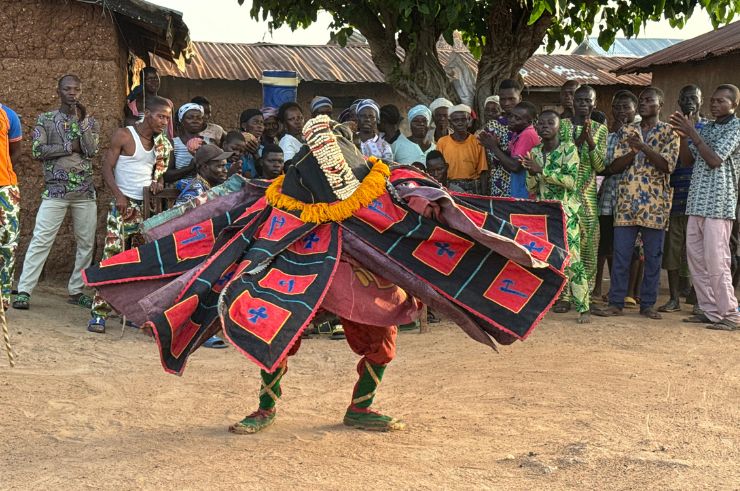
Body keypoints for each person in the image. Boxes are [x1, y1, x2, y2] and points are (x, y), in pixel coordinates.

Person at [84, 114, 568, 435]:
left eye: (334, 150)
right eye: (319, 152)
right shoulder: (282, 190)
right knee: (273, 328)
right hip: (297, 269)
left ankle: (360, 406)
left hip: (362, 271)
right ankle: (266, 408)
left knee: (379, 337)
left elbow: (433, 201)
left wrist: (461, 224)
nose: (328, 160)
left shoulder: (388, 177)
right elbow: (227, 211)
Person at [86, 95, 173, 333]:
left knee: (139, 261)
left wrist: (158, 182)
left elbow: (158, 173)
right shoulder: (124, 134)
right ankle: (98, 313)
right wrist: (119, 196)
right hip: (123, 207)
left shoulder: (161, 143)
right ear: (147, 113)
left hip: (146, 207)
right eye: (160, 116)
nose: (164, 121)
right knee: (112, 256)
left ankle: (133, 312)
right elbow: (106, 167)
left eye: (167, 117)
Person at [13, 74, 100, 311]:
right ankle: (24, 290)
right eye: (67, 89)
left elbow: (91, 150)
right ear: (58, 91)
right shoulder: (46, 119)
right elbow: (37, 150)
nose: (72, 93)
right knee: (41, 239)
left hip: (84, 192)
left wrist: (82, 123)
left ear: (81, 92)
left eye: (77, 89)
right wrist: (67, 147)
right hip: (55, 192)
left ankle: (76, 290)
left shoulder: (90, 122)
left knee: (85, 243)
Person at [593, 87, 679, 320]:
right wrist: (632, 152)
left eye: (648, 100)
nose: (642, 103)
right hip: (626, 202)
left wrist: (643, 147)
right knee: (621, 254)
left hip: (655, 204)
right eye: (641, 100)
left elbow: (667, 166)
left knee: (653, 256)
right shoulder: (627, 131)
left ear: (660, 105)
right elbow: (615, 167)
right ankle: (616, 303)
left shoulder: (669, 132)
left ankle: (648, 304)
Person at [670, 84, 740, 331]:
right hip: (696, 202)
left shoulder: (736, 127)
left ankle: (730, 314)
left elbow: (714, 160)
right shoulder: (708, 128)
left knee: (717, 260)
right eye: (712, 100)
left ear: (734, 104)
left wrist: (693, 132)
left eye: (721, 101)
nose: (714, 104)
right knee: (697, 259)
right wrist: (684, 137)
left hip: (719, 204)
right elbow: (688, 161)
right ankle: (710, 311)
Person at [522, 110, 590, 323]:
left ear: (560, 126)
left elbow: (571, 182)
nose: (545, 126)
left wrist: (541, 171)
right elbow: (530, 186)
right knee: (545, 260)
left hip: (565, 214)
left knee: (573, 260)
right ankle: (547, 304)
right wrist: (533, 175)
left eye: (550, 123)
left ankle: (583, 307)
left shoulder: (569, 149)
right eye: (541, 123)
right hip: (543, 215)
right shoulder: (534, 152)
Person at [658, 85, 707, 313]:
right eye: (685, 97)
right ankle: (674, 298)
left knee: (698, 252)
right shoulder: (669, 130)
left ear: (701, 101)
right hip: (675, 198)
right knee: (673, 250)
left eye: (693, 98)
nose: (689, 101)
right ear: (678, 100)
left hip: (699, 199)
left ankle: (697, 299)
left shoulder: (706, 129)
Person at [558, 85, 608, 308]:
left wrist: (590, 140)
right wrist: (581, 139)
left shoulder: (600, 129)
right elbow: (564, 158)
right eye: (579, 100)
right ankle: (564, 296)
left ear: (594, 103)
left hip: (588, 198)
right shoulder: (563, 126)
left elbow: (599, 165)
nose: (583, 104)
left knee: (588, 246)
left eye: (588, 101)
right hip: (565, 195)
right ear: (572, 102)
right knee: (566, 246)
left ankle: (583, 297)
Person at [595, 90, 638, 301]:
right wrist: (612, 168)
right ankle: (607, 291)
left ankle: (628, 294)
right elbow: (601, 167)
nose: (621, 111)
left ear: (634, 110)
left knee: (631, 248)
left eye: (626, 107)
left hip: (632, 201)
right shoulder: (608, 137)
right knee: (606, 244)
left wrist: (612, 168)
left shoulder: (640, 136)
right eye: (617, 107)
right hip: (608, 200)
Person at [478, 101, 539, 198]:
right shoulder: (517, 132)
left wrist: (493, 147)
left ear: (529, 122)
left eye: (517, 118)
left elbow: (515, 166)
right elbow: (508, 159)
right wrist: (496, 146)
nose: (511, 120)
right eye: (511, 116)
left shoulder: (527, 135)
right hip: (518, 190)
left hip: (526, 193)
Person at [0, 100, 22, 309]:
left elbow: (16, 151)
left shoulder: (8, 115)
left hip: (5, 189)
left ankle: (2, 300)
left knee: (7, 245)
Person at [436, 104, 488, 194]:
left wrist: (484, 198)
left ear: (469, 120)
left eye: (463, 119)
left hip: (473, 187)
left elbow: (482, 171)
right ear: (450, 122)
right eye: (456, 120)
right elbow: (438, 170)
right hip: (450, 187)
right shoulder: (442, 142)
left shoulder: (476, 141)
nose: (460, 123)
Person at [123, 67, 174, 139]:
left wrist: (170, 142)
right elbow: (130, 126)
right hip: (142, 143)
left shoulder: (168, 103)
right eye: (149, 79)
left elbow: (170, 128)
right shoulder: (134, 105)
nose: (154, 82)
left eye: (156, 78)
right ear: (142, 82)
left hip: (162, 144)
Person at [166, 103, 205, 183]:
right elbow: (167, 175)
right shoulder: (173, 143)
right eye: (190, 118)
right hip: (178, 192)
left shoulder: (208, 143)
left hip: (205, 192)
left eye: (199, 118)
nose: (195, 121)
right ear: (181, 121)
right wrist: (190, 168)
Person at [239, 109, 264, 177]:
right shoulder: (236, 147)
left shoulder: (263, 149)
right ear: (244, 125)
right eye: (255, 122)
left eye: (262, 122)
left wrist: (256, 154)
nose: (260, 126)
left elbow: (265, 173)